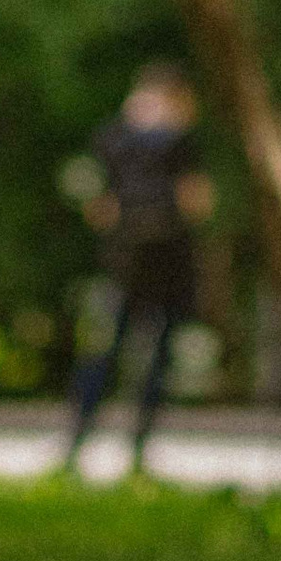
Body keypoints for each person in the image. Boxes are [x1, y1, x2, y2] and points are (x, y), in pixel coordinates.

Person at [61, 64, 214, 468]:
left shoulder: (110, 138)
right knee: (158, 357)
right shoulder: (181, 141)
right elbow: (196, 201)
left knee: (103, 351)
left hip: (121, 257)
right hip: (167, 256)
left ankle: (76, 439)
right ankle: (139, 448)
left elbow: (98, 207)